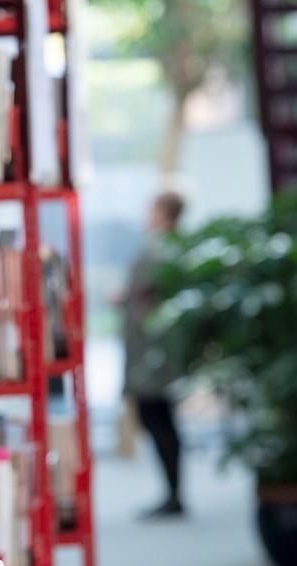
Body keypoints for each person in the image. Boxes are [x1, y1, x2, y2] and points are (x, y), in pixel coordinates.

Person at [123, 191, 185, 518]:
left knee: (157, 417)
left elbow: (148, 294)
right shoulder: (174, 246)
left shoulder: (157, 248)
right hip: (159, 351)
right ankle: (174, 493)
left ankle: (174, 495)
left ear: (163, 212)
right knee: (162, 418)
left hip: (152, 352)